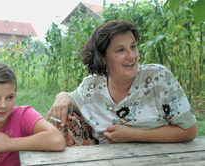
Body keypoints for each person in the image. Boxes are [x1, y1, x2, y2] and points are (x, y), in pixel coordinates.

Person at [45, 20, 197, 145]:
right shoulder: (92, 87)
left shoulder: (158, 78)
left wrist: (132, 134)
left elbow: (189, 130)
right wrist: (62, 96)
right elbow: (70, 98)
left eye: (133, 47)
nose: (131, 56)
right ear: (102, 57)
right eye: (120, 50)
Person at [0, 62, 66, 166]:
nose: (3, 105)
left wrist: (8, 143)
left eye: (10, 97)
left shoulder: (24, 115)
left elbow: (57, 140)